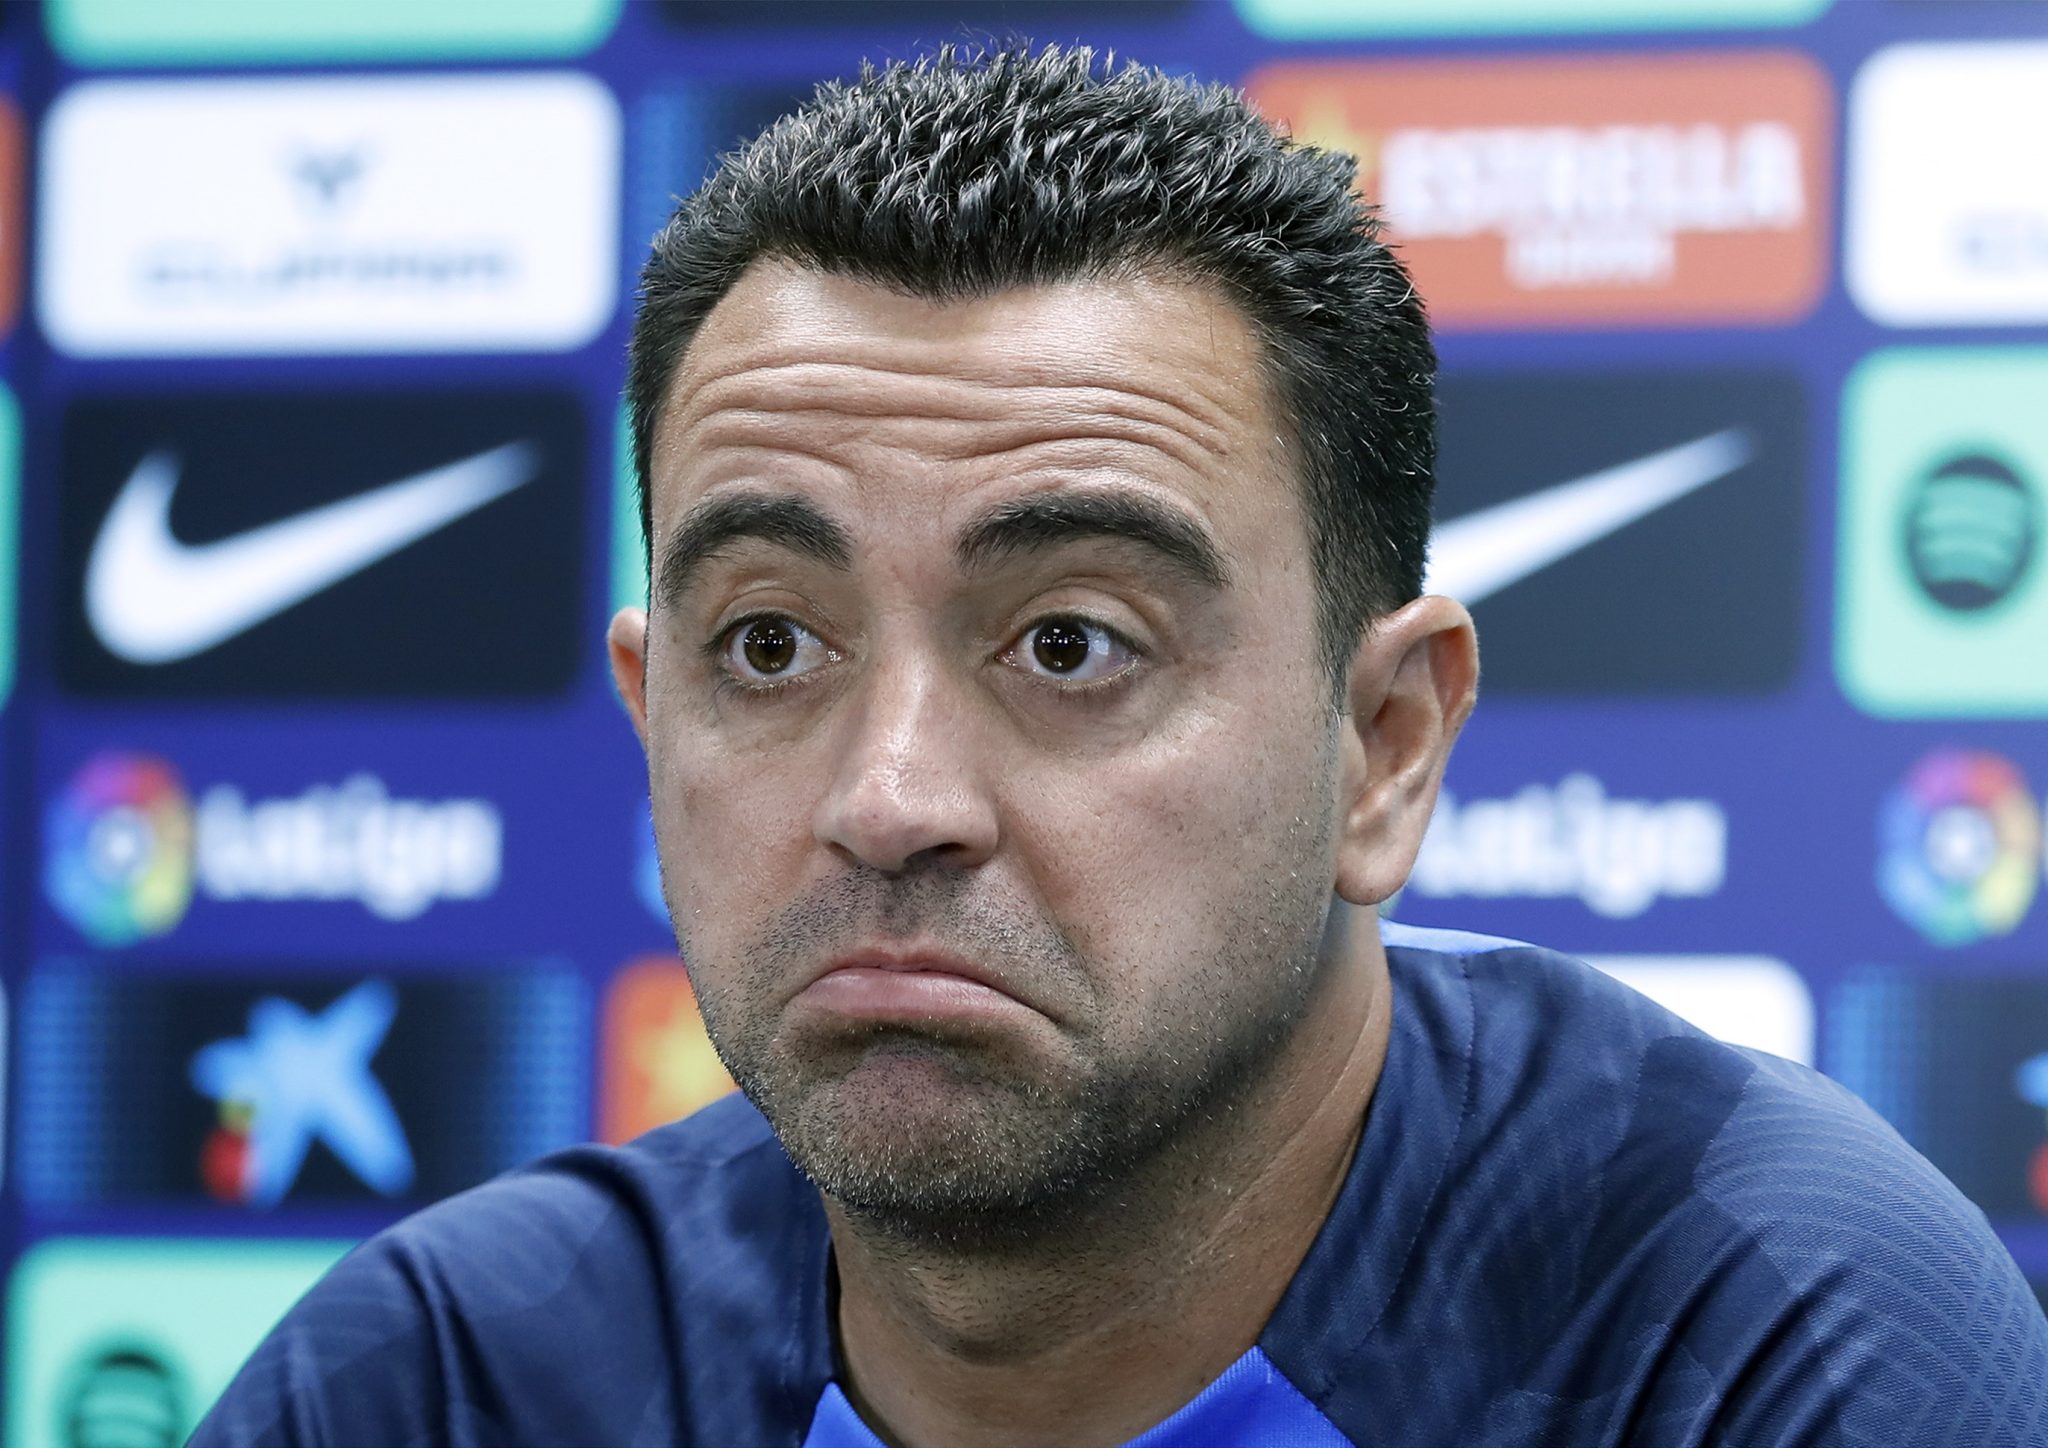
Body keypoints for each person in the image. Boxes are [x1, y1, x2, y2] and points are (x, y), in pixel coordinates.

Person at [192, 45, 2048, 1448]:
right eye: (769, 645)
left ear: (1385, 746)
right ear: (648, 713)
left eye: (1071, 644)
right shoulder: (447, 1381)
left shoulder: (1759, 1338)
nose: (890, 800)